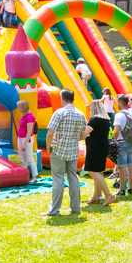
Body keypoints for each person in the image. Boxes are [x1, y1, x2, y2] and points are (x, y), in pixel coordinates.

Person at [43, 88, 89, 216]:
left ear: (62, 98)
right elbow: (83, 135)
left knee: (58, 179)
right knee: (73, 178)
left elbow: (50, 133)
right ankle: (75, 208)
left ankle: (54, 210)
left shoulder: (59, 112)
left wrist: (48, 147)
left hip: (58, 150)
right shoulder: (80, 114)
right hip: (73, 151)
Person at [84, 100, 115, 205]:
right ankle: (96, 196)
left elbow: (85, 132)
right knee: (99, 171)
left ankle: (108, 194)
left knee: (91, 170)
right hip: (103, 146)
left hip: (94, 147)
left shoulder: (94, 119)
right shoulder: (106, 120)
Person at [16, 100, 38, 182]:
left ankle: (34, 176)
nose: (18, 109)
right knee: (22, 157)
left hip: (26, 139)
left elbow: (29, 131)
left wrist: (25, 143)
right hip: (20, 137)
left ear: (23, 108)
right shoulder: (24, 115)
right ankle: (24, 175)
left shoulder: (30, 116)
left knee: (29, 157)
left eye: (19, 107)